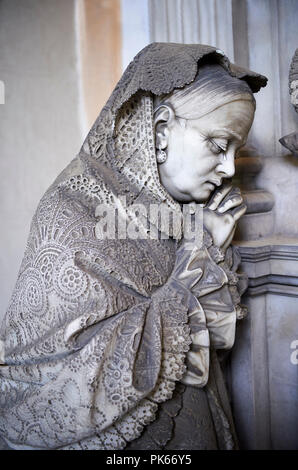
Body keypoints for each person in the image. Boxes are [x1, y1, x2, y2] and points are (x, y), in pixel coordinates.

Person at [0, 43, 267, 450]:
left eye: (236, 152)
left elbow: (209, 348)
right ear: (160, 131)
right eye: (217, 145)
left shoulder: (185, 214)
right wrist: (202, 249)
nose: (230, 169)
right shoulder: (72, 212)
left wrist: (204, 245)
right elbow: (62, 386)